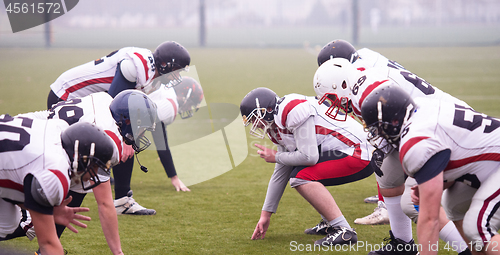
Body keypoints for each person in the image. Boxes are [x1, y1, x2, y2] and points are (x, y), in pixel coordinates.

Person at [313, 41, 473, 254]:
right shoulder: (360, 78)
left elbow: (406, 128)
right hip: (420, 123)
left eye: (332, 98)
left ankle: (467, 249)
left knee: (412, 203)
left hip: (440, 129)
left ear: (341, 84)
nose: (334, 105)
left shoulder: (370, 92)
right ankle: (402, 243)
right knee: (386, 174)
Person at [46, 41, 192, 215]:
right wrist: (128, 139)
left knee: (128, 136)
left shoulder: (153, 75)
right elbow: (113, 105)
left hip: (87, 99)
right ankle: (50, 194)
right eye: (176, 70)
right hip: (67, 95)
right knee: (122, 138)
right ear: (164, 64)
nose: (177, 76)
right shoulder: (135, 66)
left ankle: (121, 199)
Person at [360, 84, 500, 255]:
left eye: (378, 128)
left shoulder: (415, 142)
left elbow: (429, 219)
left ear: (394, 122)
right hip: (490, 159)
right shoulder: (421, 108)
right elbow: (456, 152)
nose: (378, 135)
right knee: (454, 204)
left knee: (476, 228)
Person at [240, 87, 379, 246]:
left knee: (301, 177)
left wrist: (276, 156)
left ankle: (343, 230)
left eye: (254, 118)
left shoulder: (291, 111)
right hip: (348, 151)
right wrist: (266, 215)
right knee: (298, 172)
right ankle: (330, 223)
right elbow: (281, 172)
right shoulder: (276, 124)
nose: (254, 124)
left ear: (267, 110)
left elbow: (309, 157)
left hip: (359, 152)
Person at [0, 118, 114, 255]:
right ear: (80, 156)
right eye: (95, 166)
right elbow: (48, 244)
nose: (95, 173)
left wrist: (50, 211)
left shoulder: (57, 127)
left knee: (8, 221)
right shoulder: (55, 171)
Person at [109, 78, 203, 215]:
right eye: (191, 104)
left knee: (125, 141)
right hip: (119, 112)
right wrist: (174, 177)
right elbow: (160, 139)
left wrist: (173, 176)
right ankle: (121, 199)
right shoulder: (171, 105)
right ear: (185, 97)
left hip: (115, 106)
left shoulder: (166, 94)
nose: (190, 108)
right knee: (128, 142)